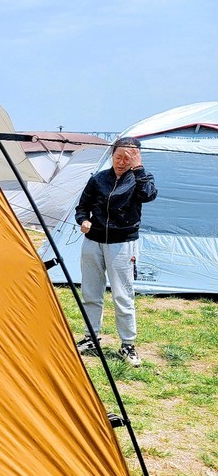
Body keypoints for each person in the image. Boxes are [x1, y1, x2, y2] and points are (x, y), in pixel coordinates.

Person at [73, 136, 157, 366]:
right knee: (91, 292)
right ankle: (91, 338)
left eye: (127, 158)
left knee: (123, 295)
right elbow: (82, 207)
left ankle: (127, 345)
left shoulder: (140, 179)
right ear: (111, 156)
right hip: (93, 242)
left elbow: (148, 195)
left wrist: (138, 168)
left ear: (136, 158)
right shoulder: (98, 179)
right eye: (118, 157)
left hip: (122, 244)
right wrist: (83, 220)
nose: (121, 162)